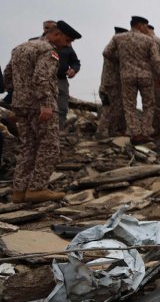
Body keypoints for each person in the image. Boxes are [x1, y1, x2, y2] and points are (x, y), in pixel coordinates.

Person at [7, 21, 82, 203]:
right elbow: (43, 78)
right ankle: (37, 188)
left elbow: (7, 74)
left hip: (21, 104)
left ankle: (19, 191)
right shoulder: (49, 51)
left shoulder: (20, 48)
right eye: (67, 40)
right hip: (39, 106)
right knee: (49, 146)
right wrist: (46, 104)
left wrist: (16, 97)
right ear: (56, 35)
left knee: (28, 147)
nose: (68, 45)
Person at [102, 16, 160, 143]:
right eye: (146, 26)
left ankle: (135, 133)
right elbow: (156, 61)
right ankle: (146, 131)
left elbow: (106, 53)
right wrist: (159, 77)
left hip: (127, 76)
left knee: (129, 105)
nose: (147, 29)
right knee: (149, 105)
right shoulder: (148, 40)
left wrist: (122, 61)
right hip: (145, 76)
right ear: (140, 25)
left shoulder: (118, 38)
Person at [44, 19, 81, 132]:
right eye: (46, 28)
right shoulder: (37, 44)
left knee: (61, 108)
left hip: (61, 81)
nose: (48, 29)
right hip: (43, 81)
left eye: (51, 27)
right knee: (43, 108)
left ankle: (57, 133)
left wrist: (73, 70)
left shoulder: (67, 46)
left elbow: (76, 62)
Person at [97, 27, 128, 139]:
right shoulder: (114, 49)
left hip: (109, 83)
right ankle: (102, 131)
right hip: (110, 84)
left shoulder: (113, 47)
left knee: (115, 108)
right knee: (109, 108)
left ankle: (111, 131)